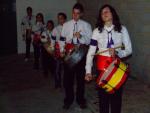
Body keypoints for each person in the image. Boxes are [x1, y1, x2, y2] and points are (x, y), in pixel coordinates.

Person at [85, 4, 132, 113]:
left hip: (117, 68)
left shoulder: (122, 29)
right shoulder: (96, 31)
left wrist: (118, 52)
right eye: (102, 13)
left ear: (113, 13)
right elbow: (91, 52)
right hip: (102, 68)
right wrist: (88, 71)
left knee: (117, 98)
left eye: (107, 11)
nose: (104, 13)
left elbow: (129, 49)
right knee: (103, 99)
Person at [60, 3, 92, 109]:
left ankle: (80, 99)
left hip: (81, 54)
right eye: (74, 13)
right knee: (67, 79)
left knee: (80, 79)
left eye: (78, 13)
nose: (75, 15)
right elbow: (62, 39)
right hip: (69, 53)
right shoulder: (66, 24)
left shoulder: (86, 25)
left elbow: (90, 41)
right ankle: (68, 100)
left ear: (81, 14)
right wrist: (61, 50)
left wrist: (81, 36)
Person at [51, 12, 67, 88]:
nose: (59, 20)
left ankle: (65, 83)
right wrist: (52, 49)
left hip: (67, 50)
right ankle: (57, 83)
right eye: (58, 18)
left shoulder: (69, 28)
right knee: (57, 68)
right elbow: (53, 40)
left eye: (61, 18)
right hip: (58, 51)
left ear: (64, 19)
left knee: (65, 69)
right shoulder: (55, 29)